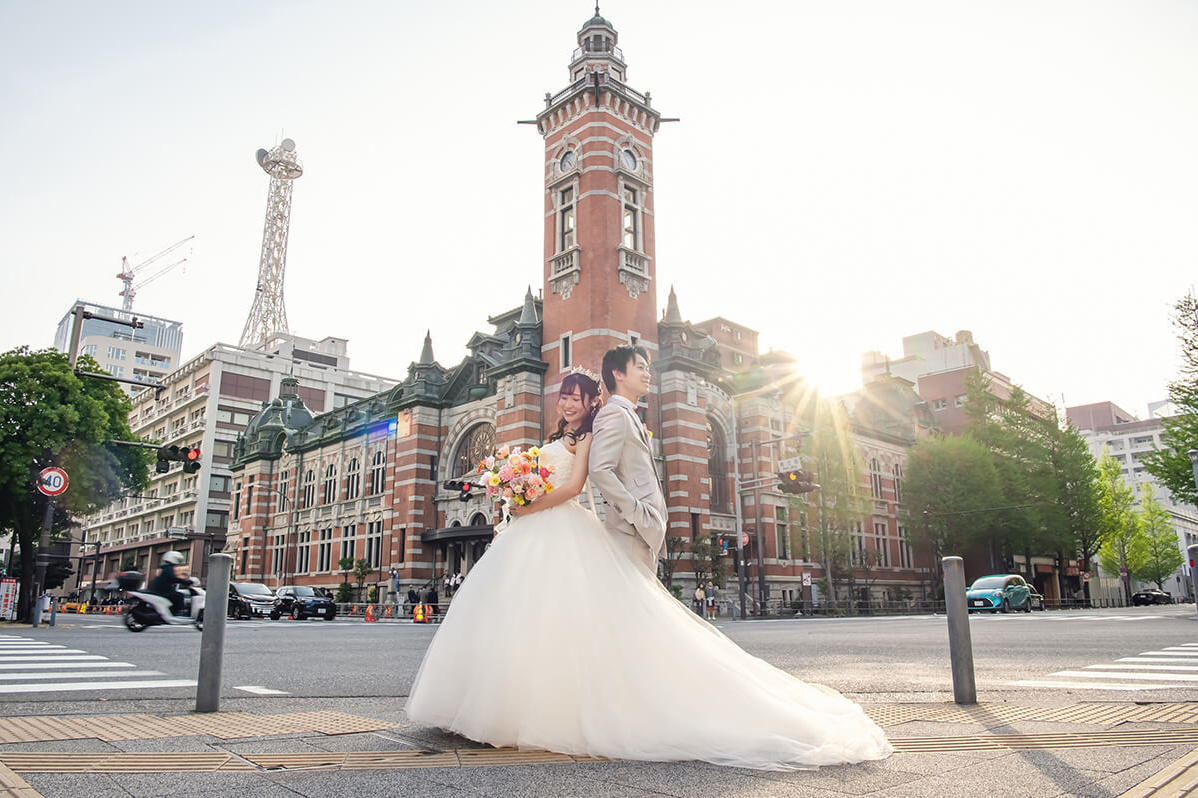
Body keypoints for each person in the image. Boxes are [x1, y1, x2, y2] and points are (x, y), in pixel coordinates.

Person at [405, 360, 891, 771]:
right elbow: (545, 480)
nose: (569, 404)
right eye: (564, 397)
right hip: (531, 533)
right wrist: (513, 488)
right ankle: (492, 706)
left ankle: (545, 711)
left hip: (560, 527)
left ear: (593, 400)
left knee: (564, 620)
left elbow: (578, 487)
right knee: (517, 619)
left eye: (577, 397)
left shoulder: (592, 435)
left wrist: (527, 504)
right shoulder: (557, 436)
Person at [147, 551, 189, 616]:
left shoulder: (165, 567)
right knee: (179, 596)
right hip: (164, 591)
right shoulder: (168, 568)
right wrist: (185, 581)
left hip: (160, 591)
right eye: (178, 560)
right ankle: (179, 613)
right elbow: (172, 578)